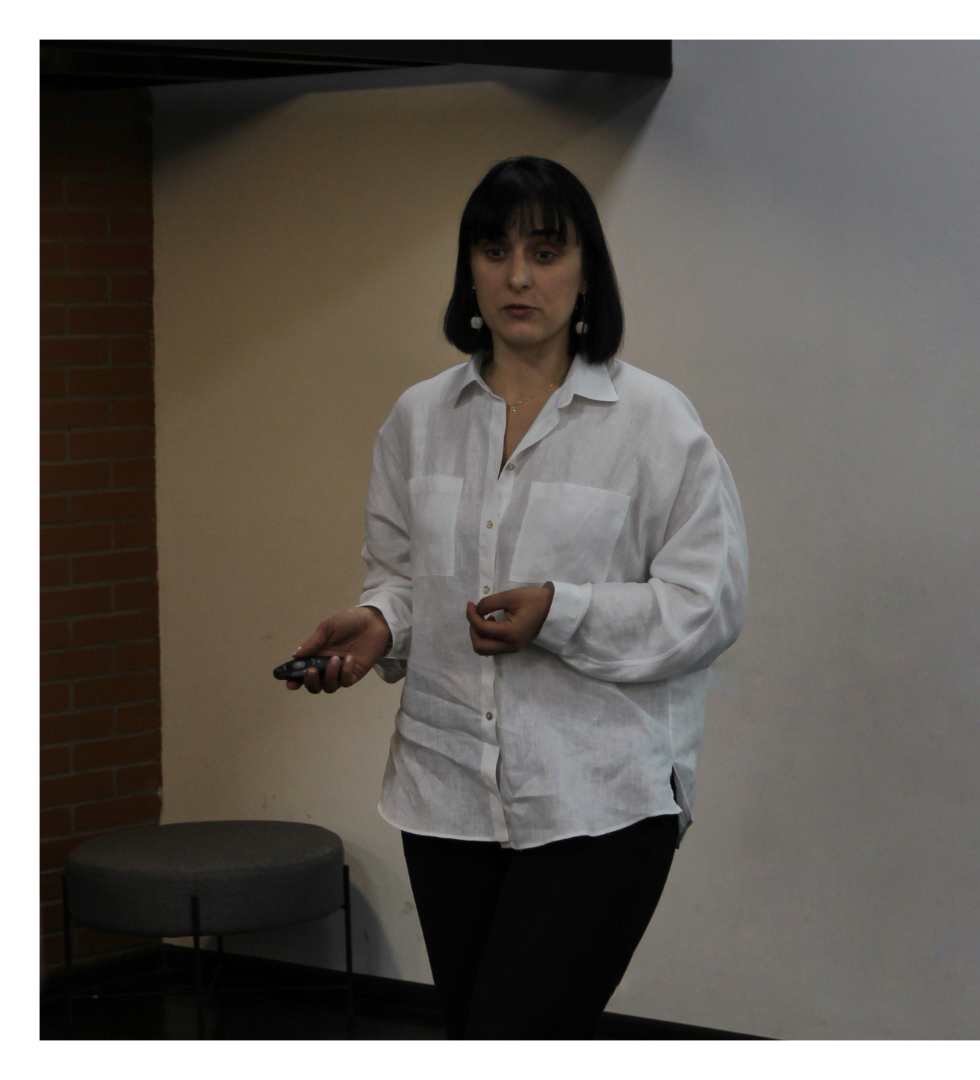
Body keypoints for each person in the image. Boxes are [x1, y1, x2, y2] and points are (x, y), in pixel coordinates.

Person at [285, 156, 748, 1039]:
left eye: (544, 250)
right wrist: (379, 624)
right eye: (494, 251)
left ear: (586, 269)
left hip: (601, 798)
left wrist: (560, 612)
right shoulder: (418, 418)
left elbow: (707, 605)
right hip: (444, 791)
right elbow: (403, 577)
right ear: (469, 271)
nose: (518, 277)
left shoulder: (655, 422)